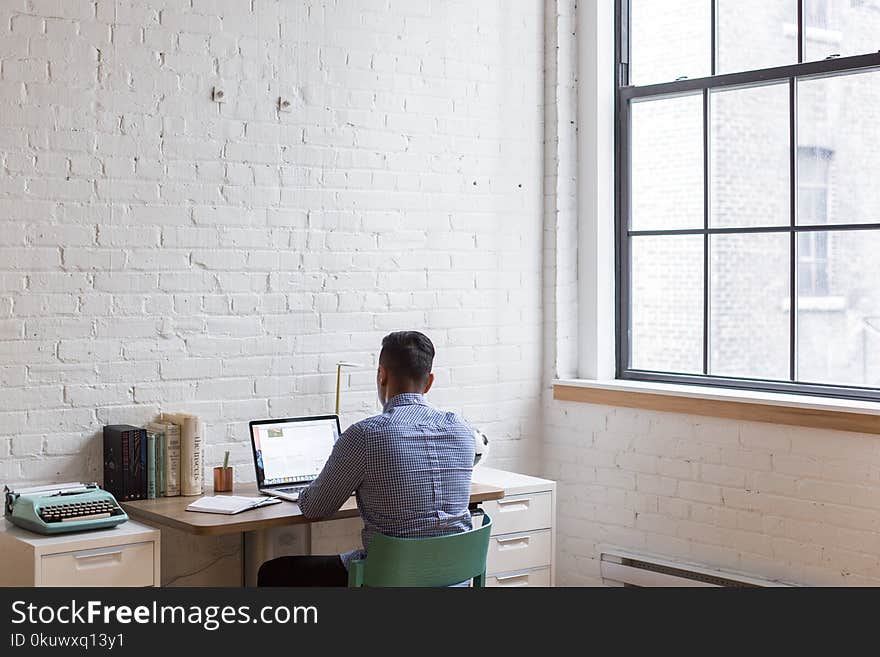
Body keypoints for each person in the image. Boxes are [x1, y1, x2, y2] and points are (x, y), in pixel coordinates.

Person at [257, 330, 475, 586]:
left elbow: (315, 508)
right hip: (455, 577)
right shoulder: (462, 429)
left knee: (273, 572)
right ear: (429, 383)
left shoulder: (366, 435)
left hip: (391, 578)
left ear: (381, 375)